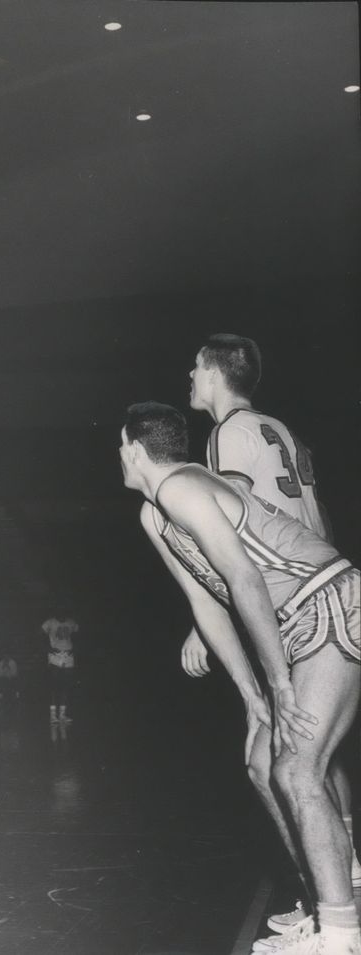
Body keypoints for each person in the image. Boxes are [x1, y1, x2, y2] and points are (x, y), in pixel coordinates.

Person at [120, 402, 359, 955]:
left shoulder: (183, 486)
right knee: (261, 763)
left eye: (120, 447)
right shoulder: (154, 513)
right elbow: (208, 604)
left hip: (330, 601)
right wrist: (253, 696)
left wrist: (278, 683)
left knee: (298, 766)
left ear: (135, 449)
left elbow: (245, 578)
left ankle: (344, 935)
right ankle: (329, 905)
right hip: (294, 623)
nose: (119, 457)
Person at [184, 333, 361, 906]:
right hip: (326, 589)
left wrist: (201, 620)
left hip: (291, 602)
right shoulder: (280, 430)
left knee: (274, 763)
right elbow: (319, 518)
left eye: (194, 368)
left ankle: (330, 903)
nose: (189, 376)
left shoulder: (227, 434)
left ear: (213, 374)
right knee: (311, 757)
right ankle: (342, 877)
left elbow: (225, 528)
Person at [42, 614, 78, 722]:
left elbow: (79, 635)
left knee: (66, 685)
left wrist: (75, 647)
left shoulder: (71, 621)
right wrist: (47, 647)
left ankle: (62, 715)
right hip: (55, 655)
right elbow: (38, 633)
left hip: (68, 656)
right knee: (54, 685)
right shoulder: (50, 622)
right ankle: (53, 716)